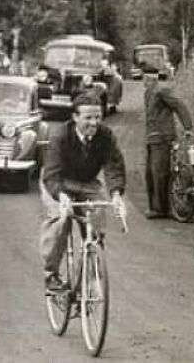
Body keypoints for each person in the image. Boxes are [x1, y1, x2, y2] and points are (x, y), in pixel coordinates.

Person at [40, 93, 126, 293]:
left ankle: (92, 274)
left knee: (96, 225)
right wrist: (61, 197)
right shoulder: (60, 136)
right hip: (59, 182)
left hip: (88, 183)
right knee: (61, 221)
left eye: (97, 117)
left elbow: (114, 166)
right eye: (88, 118)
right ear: (75, 117)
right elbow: (51, 174)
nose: (94, 123)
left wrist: (116, 194)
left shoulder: (105, 135)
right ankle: (51, 275)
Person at [143, 69, 193, 219]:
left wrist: (188, 127)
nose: (145, 81)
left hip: (162, 137)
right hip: (152, 138)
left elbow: (179, 105)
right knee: (150, 174)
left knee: (159, 173)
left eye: (147, 77)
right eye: (145, 77)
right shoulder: (149, 92)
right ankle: (156, 207)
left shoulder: (161, 90)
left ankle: (161, 209)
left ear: (153, 77)